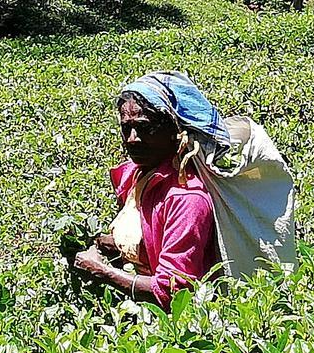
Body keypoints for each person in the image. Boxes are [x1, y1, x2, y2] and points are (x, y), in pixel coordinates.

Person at [71, 72, 226, 308]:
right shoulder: (138, 176)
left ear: (176, 132)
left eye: (145, 128)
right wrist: (107, 244)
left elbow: (175, 291)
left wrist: (103, 272)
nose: (132, 139)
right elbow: (152, 239)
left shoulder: (187, 199)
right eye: (127, 129)